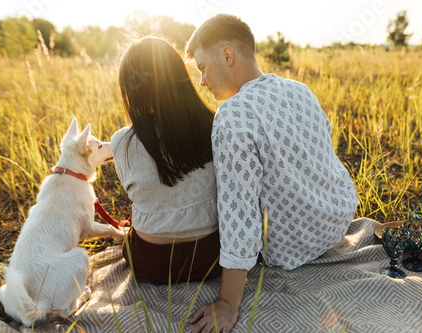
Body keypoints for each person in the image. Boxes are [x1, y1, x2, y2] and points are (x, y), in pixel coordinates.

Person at [185, 14, 359, 332]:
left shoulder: (233, 113)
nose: (202, 81)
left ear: (227, 55)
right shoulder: (300, 89)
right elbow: (325, 156)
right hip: (339, 218)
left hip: (295, 248)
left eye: (201, 68)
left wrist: (227, 304)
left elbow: (239, 215)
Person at [112, 36, 222, 284]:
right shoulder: (215, 125)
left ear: (130, 89)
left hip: (152, 264)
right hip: (211, 259)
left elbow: (139, 194)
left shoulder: (122, 141)